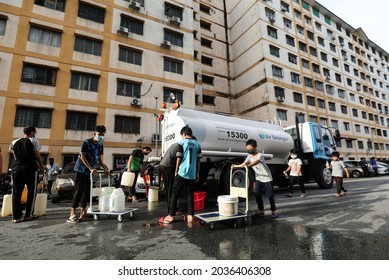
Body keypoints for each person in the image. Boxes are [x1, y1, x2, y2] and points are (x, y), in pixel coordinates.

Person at [159, 126, 202, 224]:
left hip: (182, 172)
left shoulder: (181, 143)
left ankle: (170, 215)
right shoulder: (197, 145)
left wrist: (176, 170)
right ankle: (190, 215)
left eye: (182, 135)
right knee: (190, 194)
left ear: (184, 134)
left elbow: (179, 157)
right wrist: (197, 173)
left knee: (174, 193)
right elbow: (199, 160)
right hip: (192, 174)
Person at [67, 125, 109, 223]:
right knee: (79, 190)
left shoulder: (100, 145)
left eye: (102, 135)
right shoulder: (87, 142)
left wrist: (105, 168)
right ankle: (72, 213)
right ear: (94, 134)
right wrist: (90, 168)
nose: (100, 137)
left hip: (90, 171)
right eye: (99, 134)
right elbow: (82, 157)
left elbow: (99, 159)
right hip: (82, 169)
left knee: (87, 191)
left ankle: (83, 211)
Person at [9, 126, 47, 223]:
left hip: (17, 168)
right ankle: (28, 214)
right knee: (32, 192)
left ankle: (16, 217)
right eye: (35, 132)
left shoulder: (14, 142)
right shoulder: (33, 141)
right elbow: (37, 155)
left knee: (16, 192)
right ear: (32, 132)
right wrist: (42, 166)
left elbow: (15, 156)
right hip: (30, 169)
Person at [232, 139, 278, 218]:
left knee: (270, 195)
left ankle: (273, 211)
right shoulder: (249, 156)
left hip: (267, 178)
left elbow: (256, 162)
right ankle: (261, 210)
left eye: (250, 149)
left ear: (255, 147)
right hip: (259, 178)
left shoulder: (260, 155)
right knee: (256, 192)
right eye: (248, 149)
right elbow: (244, 163)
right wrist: (235, 166)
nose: (249, 151)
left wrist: (249, 166)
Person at [159, 143, 180, 212]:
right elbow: (178, 159)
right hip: (168, 167)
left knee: (168, 188)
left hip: (162, 165)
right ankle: (171, 209)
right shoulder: (180, 146)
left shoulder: (175, 145)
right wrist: (176, 171)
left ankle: (170, 207)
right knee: (170, 188)